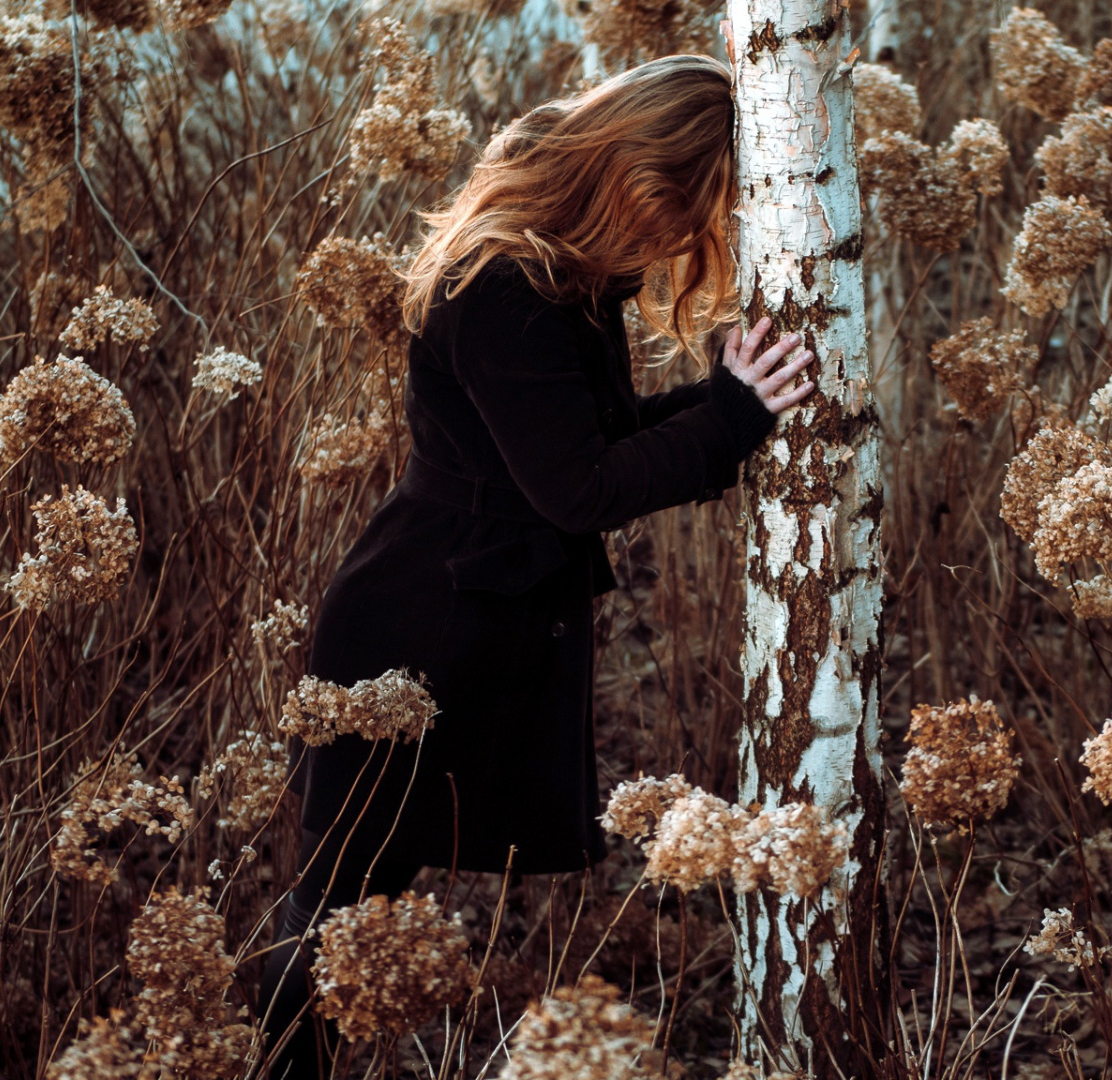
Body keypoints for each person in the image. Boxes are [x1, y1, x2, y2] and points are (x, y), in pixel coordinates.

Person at [253, 53, 813, 1077]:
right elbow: (580, 489)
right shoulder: (505, 284)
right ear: (642, 179)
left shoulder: (561, 271)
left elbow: (588, 441)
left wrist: (729, 398)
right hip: (418, 631)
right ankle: (262, 1064)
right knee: (339, 900)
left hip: (473, 612)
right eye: (685, 214)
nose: (686, 243)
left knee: (357, 892)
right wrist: (731, 417)